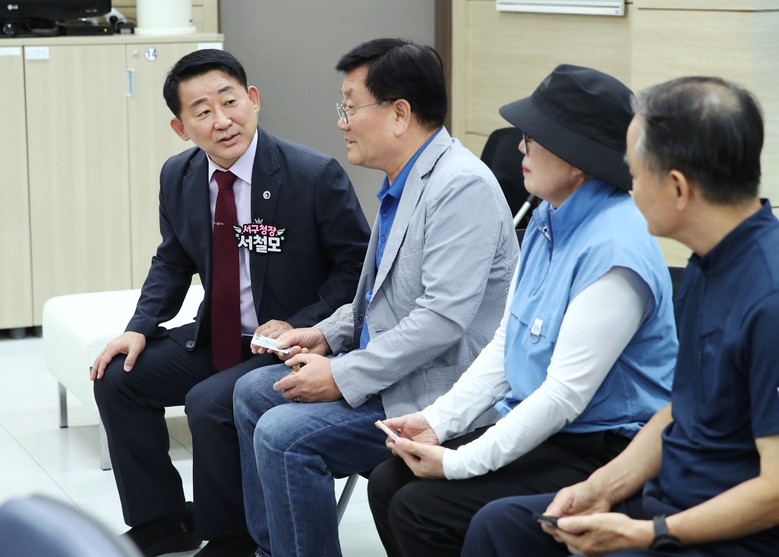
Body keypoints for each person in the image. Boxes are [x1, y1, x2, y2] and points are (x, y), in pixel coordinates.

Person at [367, 64, 679, 557]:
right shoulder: (547, 217)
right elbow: (505, 345)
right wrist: (439, 421)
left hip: (605, 448)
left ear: (577, 159)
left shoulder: (617, 248)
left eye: (533, 138)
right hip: (550, 432)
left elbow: (563, 396)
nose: (520, 148)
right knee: (388, 483)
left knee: (421, 508)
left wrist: (459, 462)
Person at [462, 76, 779, 557]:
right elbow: (681, 410)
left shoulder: (767, 297)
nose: (626, 185)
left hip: (730, 534)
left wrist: (648, 533)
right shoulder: (708, 262)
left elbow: (774, 492)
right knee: (499, 527)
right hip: (670, 500)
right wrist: (602, 488)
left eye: (635, 172)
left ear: (677, 187)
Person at [232, 38, 518, 557]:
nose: (342, 122)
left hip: (436, 390)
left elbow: (440, 319)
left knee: (282, 435)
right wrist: (324, 335)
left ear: (400, 114)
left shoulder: (461, 187)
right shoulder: (403, 179)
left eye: (350, 107)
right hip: (393, 370)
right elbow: (381, 298)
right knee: (252, 391)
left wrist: (341, 374)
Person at [90, 49, 371, 557]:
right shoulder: (179, 176)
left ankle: (232, 536)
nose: (222, 121)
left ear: (254, 99)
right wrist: (139, 326)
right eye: (202, 111)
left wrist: (301, 324)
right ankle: (161, 520)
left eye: (230, 101)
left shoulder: (311, 174)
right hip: (217, 335)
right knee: (118, 379)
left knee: (209, 403)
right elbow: (172, 259)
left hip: (289, 345)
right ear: (181, 128)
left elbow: (356, 270)